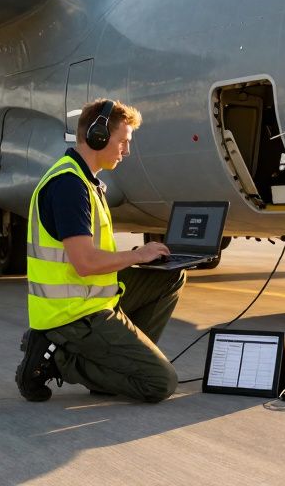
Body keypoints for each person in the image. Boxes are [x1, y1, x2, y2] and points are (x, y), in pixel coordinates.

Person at [15, 98, 186, 403]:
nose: (126, 151)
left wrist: (141, 255)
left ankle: (112, 366)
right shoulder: (69, 185)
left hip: (92, 298)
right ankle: (56, 359)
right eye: (123, 141)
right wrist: (136, 256)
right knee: (161, 383)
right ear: (98, 136)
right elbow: (85, 263)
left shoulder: (87, 181)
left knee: (171, 276)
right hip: (71, 314)